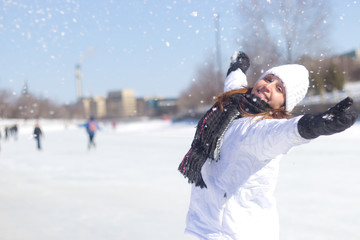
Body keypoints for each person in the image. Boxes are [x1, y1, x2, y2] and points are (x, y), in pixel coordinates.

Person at [178, 51, 358, 240]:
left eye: (279, 89)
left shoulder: (259, 129)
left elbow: (283, 133)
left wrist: (314, 125)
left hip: (234, 233)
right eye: (268, 79)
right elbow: (235, 83)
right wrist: (236, 68)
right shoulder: (235, 103)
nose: (268, 86)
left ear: (283, 105)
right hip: (202, 225)